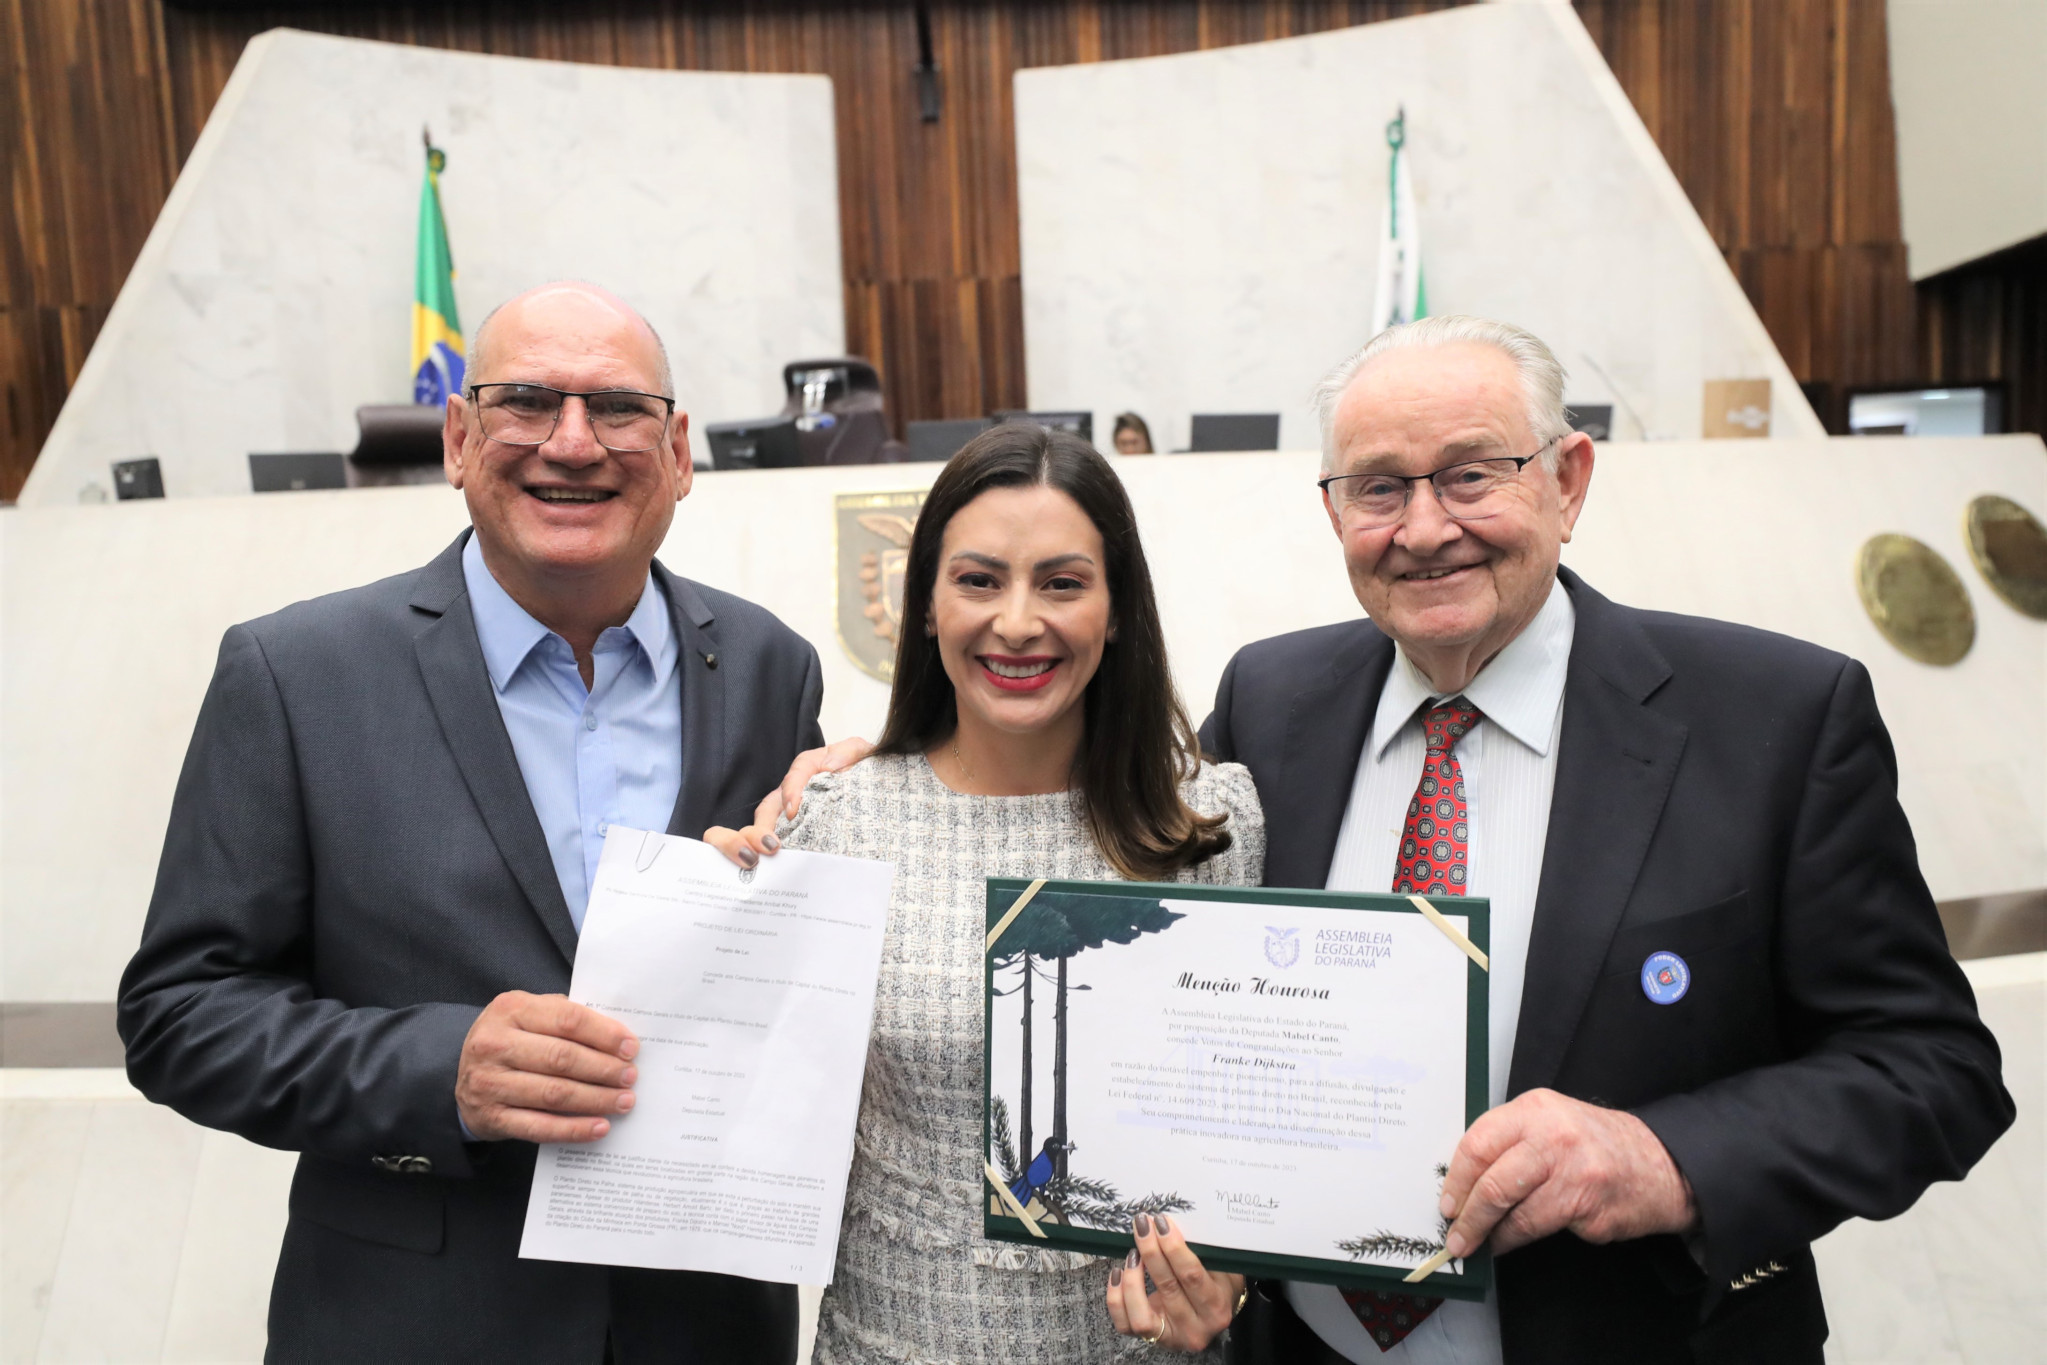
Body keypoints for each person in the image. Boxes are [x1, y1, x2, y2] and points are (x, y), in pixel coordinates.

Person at [762, 316, 2014, 1365]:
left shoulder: (1775, 720)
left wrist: (1661, 1155)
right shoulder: (1277, 711)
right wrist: (863, 781)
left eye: (1472, 473)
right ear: (1334, 509)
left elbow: (1933, 1070)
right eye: (1379, 488)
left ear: (1568, 480)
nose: (1423, 528)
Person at [117, 282, 824, 1363]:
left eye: (619, 409)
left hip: (703, 1329)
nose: (573, 444)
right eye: (526, 403)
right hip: (413, 1326)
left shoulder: (771, 667)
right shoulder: (297, 677)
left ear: (679, 451)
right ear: (458, 438)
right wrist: (438, 1069)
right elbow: (180, 1014)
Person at [706, 424, 1263, 1363]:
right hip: (887, 1342)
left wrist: (1233, 1281)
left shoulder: (1210, 826)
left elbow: (1255, 1120)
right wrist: (711, 916)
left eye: (1061, 582)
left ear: (1117, 607)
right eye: (977, 580)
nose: (1015, 621)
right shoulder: (837, 822)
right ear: (924, 606)